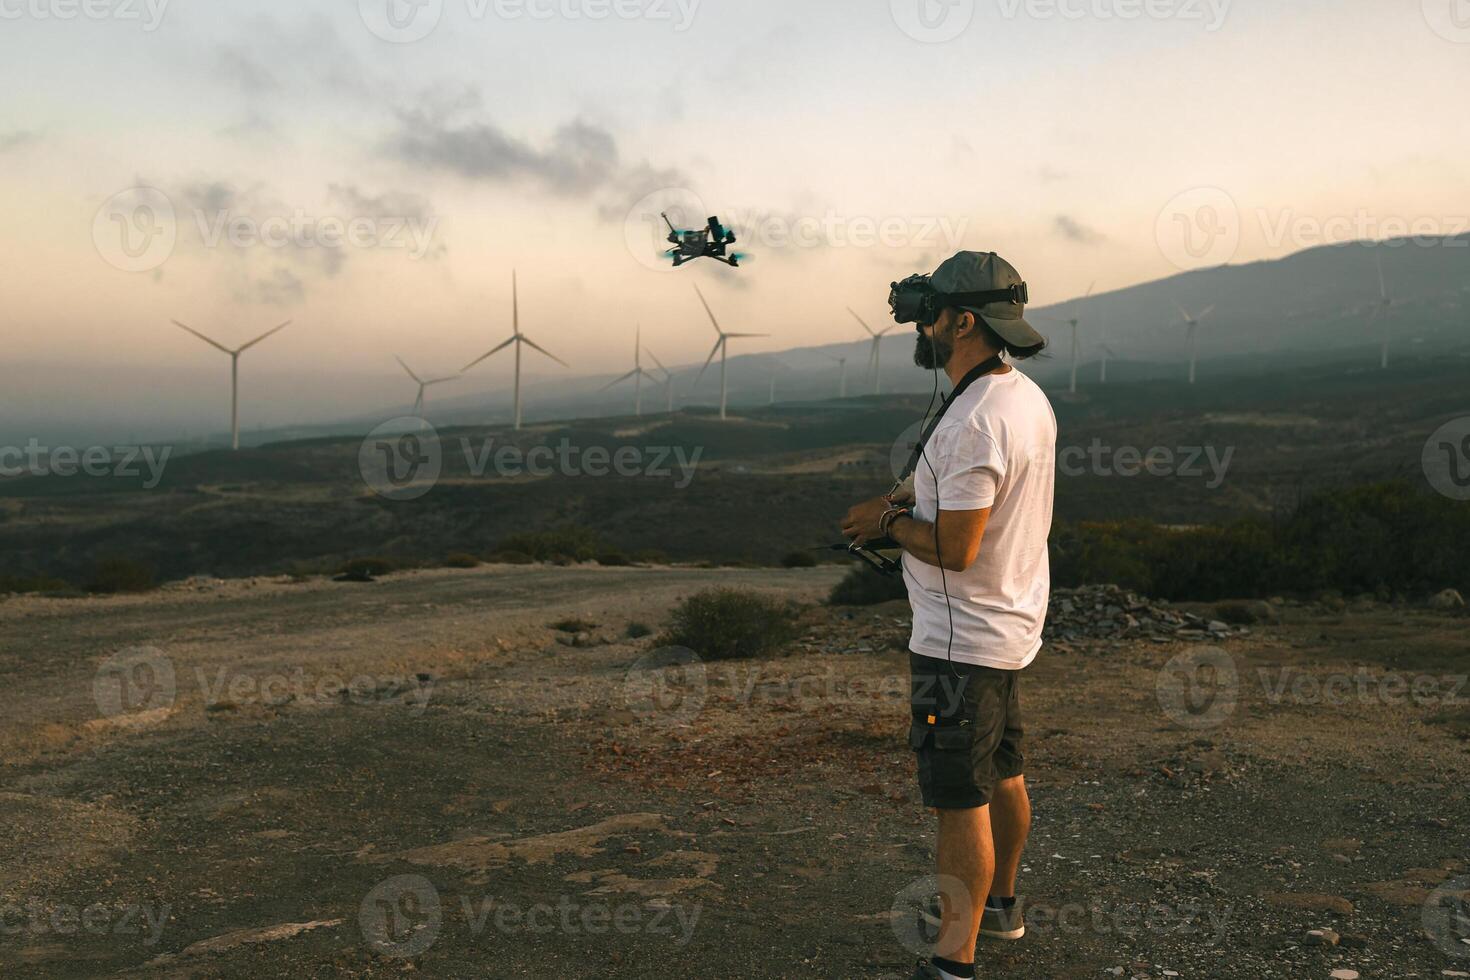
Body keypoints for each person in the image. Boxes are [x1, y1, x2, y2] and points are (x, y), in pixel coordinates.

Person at [841, 251, 1057, 980]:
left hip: (962, 642)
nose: (922, 327)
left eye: (931, 315)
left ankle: (952, 962)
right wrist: (906, 507)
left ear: (963, 321)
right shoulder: (1021, 395)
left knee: (959, 798)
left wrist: (885, 526)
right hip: (1008, 627)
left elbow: (957, 549)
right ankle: (1000, 908)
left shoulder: (974, 422)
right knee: (1002, 772)